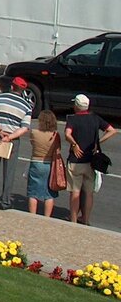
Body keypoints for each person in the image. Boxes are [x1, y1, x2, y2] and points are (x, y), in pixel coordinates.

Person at [64, 94, 117, 225]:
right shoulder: (95, 118)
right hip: (91, 161)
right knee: (89, 193)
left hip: (75, 161)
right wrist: (97, 143)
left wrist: (74, 144)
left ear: (76, 105)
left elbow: (67, 134)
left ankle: (74, 219)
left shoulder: (73, 119)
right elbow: (112, 130)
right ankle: (86, 219)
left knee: (75, 192)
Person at [0, 76, 34, 211]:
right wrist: (10, 136)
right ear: (23, 90)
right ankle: (5, 201)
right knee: (9, 171)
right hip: (12, 139)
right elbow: (25, 127)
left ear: (12, 86)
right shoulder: (26, 106)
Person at [27, 109, 60, 217]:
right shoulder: (55, 135)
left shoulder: (34, 133)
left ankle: (32, 215)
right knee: (49, 193)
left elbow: (32, 143)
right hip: (49, 163)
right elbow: (57, 150)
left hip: (36, 162)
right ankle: (47, 217)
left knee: (33, 192)